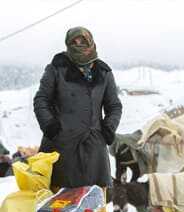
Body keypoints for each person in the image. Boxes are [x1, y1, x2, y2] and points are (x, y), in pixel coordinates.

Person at [34, 27, 122, 189]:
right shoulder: (56, 67)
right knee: (59, 206)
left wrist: (109, 127)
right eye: (74, 42)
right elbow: (41, 99)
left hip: (94, 147)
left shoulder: (103, 72)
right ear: (68, 43)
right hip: (61, 146)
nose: (79, 44)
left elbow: (114, 105)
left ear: (91, 42)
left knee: (92, 205)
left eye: (82, 41)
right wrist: (50, 126)